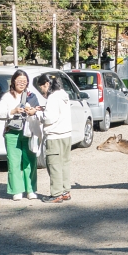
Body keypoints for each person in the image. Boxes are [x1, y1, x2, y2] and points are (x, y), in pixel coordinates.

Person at [0, 69, 40, 201]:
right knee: (14, 162)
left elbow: (38, 112)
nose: (22, 83)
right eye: (19, 81)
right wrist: (12, 111)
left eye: (24, 81)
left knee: (30, 161)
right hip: (12, 132)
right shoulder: (7, 96)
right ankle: (16, 190)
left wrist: (32, 111)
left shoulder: (32, 96)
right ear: (13, 81)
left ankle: (30, 189)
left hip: (28, 131)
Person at [36, 74, 73, 203]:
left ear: (46, 84)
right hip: (66, 135)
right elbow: (58, 112)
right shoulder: (63, 94)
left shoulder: (52, 97)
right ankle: (65, 191)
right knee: (64, 164)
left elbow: (49, 118)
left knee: (54, 165)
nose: (42, 91)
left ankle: (56, 194)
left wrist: (37, 113)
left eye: (42, 87)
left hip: (55, 136)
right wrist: (44, 109)